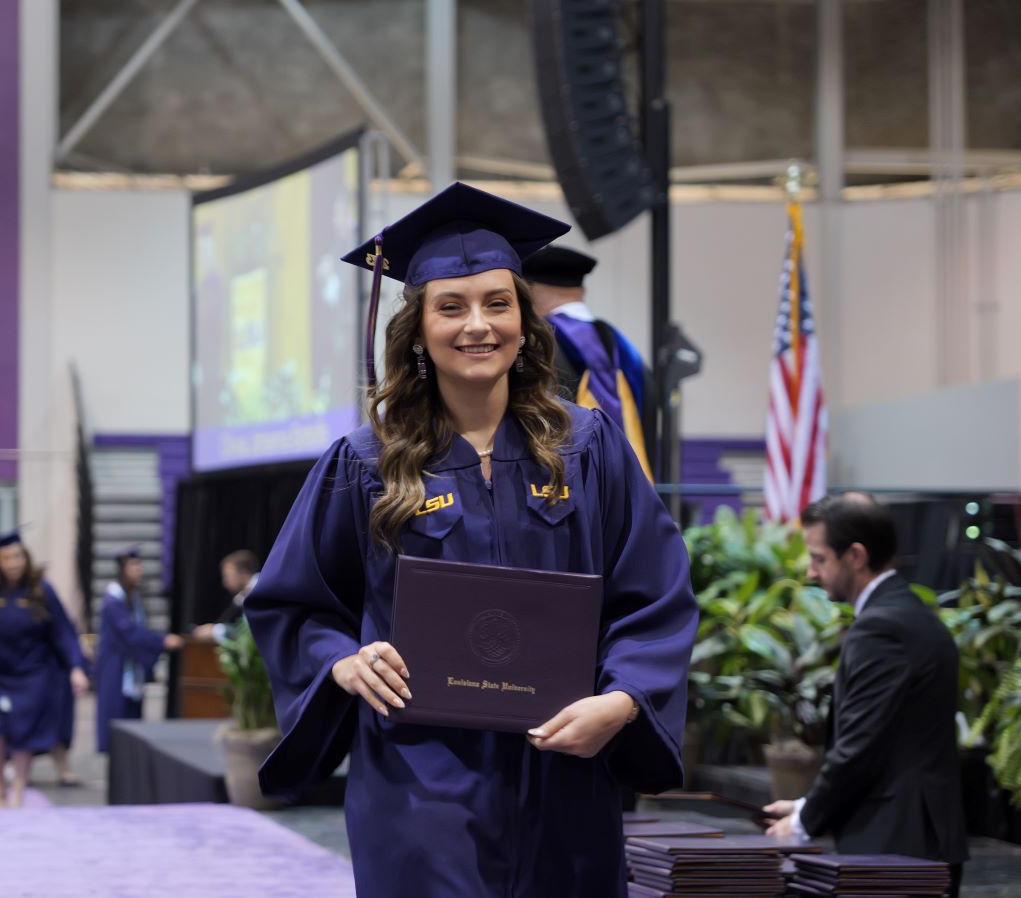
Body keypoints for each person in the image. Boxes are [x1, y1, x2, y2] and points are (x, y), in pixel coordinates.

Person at [243, 182, 698, 897]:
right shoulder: (366, 463)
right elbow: (295, 603)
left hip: (565, 771)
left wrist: (626, 699)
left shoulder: (587, 448)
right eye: (449, 307)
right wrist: (341, 661)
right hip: (419, 780)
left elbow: (654, 591)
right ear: (418, 329)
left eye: (496, 302)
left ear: (524, 318)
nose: (476, 325)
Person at [765, 495, 969, 896]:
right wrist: (807, 806)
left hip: (898, 846)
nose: (811, 571)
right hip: (917, 840)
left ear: (855, 555)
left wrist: (804, 824)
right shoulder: (909, 614)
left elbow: (860, 745)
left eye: (819, 558)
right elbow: (893, 743)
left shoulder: (881, 628)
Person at [0, 531, 90, 807]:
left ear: (26, 558)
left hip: (31, 674)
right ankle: (0, 786)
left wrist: (76, 667)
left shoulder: (41, 591)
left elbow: (63, 632)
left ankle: (18, 789)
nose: (14, 563)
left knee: (23, 734)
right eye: (7, 557)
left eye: (18, 556)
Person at [522, 245, 652, 477]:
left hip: (565, 476)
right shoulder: (621, 343)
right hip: (631, 476)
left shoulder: (539, 339)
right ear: (581, 290)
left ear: (534, 290)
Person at [92, 546, 183, 753]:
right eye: (133, 565)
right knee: (116, 716)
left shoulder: (133, 597)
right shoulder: (113, 600)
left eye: (139, 565)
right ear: (122, 569)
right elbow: (130, 631)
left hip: (130, 665)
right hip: (116, 666)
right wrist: (161, 641)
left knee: (131, 717)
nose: (138, 570)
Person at [190, 549, 259, 644]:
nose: (225, 583)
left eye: (228, 576)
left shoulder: (258, 594)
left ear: (244, 574)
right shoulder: (246, 595)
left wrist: (215, 631)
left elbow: (251, 637)